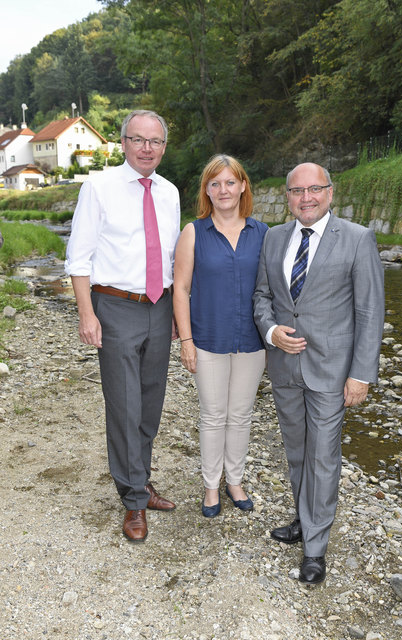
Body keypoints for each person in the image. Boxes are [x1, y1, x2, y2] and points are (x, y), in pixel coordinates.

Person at [253, 162, 384, 584]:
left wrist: (361, 373)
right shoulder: (273, 238)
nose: (305, 198)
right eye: (296, 191)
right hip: (285, 366)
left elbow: (369, 311)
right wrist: (271, 331)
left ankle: (315, 548)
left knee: (323, 456)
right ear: (287, 196)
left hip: (332, 370)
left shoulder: (358, 238)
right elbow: (262, 295)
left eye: (314, 189)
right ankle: (303, 518)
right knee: (296, 451)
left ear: (330, 192)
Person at [65, 109, 180, 542]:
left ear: (164, 147)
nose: (147, 148)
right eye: (138, 140)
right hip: (113, 307)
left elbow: (170, 257)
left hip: (160, 306)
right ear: (124, 143)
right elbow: (78, 256)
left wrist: (174, 314)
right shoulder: (98, 186)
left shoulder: (169, 192)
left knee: (150, 402)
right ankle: (133, 500)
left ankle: (140, 479)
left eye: (155, 141)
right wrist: (86, 313)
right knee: (125, 404)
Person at [173, 154, 268, 517]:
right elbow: (180, 289)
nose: (223, 189)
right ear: (207, 191)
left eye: (230, 182)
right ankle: (211, 487)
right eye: (215, 183)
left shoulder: (263, 233)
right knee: (213, 415)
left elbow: (272, 289)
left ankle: (235, 481)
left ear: (243, 186)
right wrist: (186, 341)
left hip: (252, 342)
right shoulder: (193, 232)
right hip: (207, 339)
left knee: (241, 415)